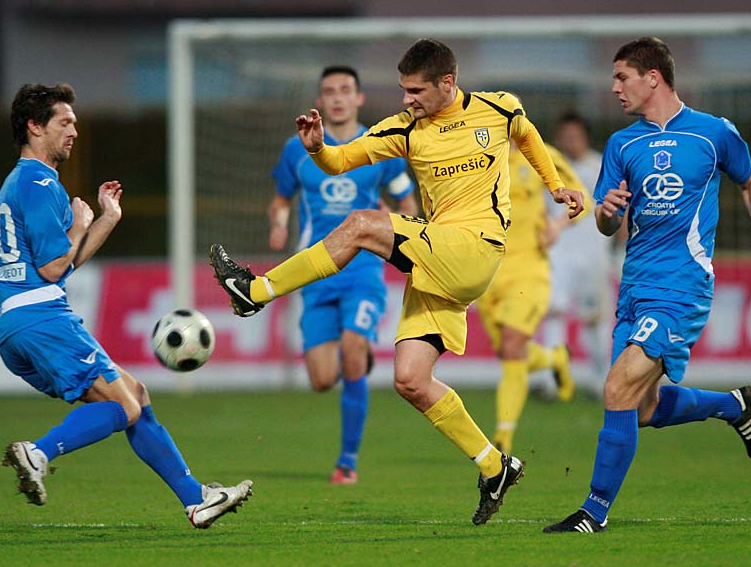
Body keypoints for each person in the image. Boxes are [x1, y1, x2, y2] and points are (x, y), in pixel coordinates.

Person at [209, 39, 584, 524]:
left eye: (416, 90)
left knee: (362, 224)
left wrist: (556, 186)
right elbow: (341, 161)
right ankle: (495, 466)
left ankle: (254, 291)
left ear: (447, 82)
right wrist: (318, 147)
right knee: (410, 379)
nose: (407, 99)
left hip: (477, 249)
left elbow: (527, 134)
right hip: (440, 259)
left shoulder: (498, 108)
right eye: (404, 89)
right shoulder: (404, 129)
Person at [544, 37, 751, 534]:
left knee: (616, 387)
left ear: (653, 78)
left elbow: (749, 181)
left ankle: (593, 512)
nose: (615, 88)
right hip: (634, 286)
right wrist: (606, 211)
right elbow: (604, 222)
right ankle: (733, 405)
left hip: (682, 286)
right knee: (641, 409)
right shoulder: (622, 144)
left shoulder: (712, 133)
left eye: (622, 77)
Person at [0, 83, 252, 529]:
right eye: (64, 122)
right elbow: (54, 268)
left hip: (16, 322)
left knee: (135, 395)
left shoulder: (25, 180)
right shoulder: (38, 182)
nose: (74, 131)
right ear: (34, 126)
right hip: (42, 316)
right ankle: (37, 453)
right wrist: (80, 223)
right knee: (124, 407)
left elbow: (63, 263)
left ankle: (197, 499)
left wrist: (105, 219)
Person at [268, 66, 418, 484]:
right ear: (321, 100)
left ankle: (347, 461)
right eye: (329, 91)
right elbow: (281, 200)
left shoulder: (380, 146)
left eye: (345, 90)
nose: (337, 98)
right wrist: (279, 223)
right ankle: (357, 357)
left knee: (352, 348)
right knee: (320, 380)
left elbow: (408, 204)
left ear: (359, 98)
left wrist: (395, 220)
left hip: (363, 268)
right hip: (315, 272)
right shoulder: (296, 148)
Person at [475, 141, 587, 455]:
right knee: (508, 351)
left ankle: (503, 438)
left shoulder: (540, 155)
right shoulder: (473, 156)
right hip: (486, 272)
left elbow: (581, 197)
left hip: (528, 269)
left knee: (512, 345)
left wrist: (558, 225)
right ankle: (554, 359)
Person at [544, 112, 620, 398]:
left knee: (595, 318)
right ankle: (553, 380)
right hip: (557, 253)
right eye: (565, 136)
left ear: (585, 137)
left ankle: (601, 379)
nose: (570, 141)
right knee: (553, 313)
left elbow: (619, 210)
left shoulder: (601, 166)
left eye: (574, 136)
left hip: (594, 254)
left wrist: (621, 248)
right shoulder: (548, 169)